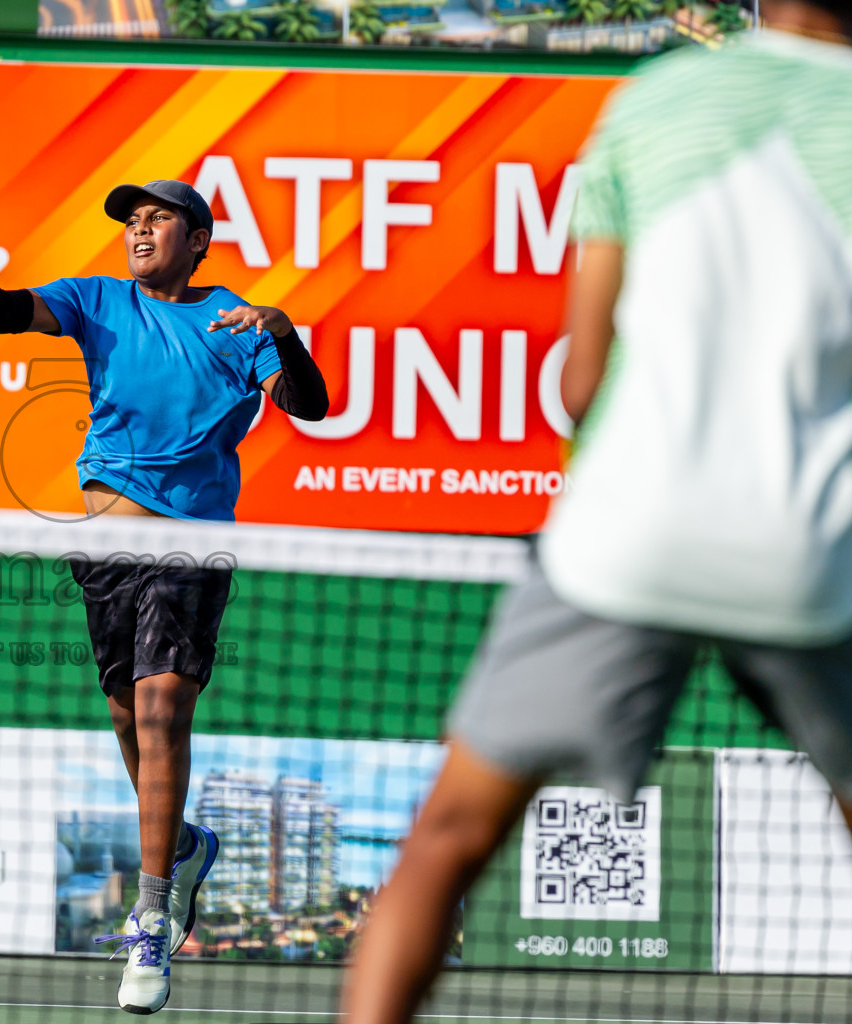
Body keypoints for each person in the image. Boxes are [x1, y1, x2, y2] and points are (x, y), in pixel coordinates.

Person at [342, 4, 852, 1022]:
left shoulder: (655, 100)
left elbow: (579, 381)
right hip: (810, 557)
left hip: (630, 536)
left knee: (446, 836)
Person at [0, 179, 329, 1014]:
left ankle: (153, 916)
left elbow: (310, 405)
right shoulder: (94, 301)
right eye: (132, 221)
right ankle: (189, 847)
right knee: (130, 719)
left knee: (163, 709)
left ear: (198, 238)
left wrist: (283, 330)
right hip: (100, 545)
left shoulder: (234, 321)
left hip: (188, 541)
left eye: (157, 219)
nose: (138, 230)